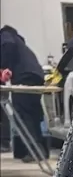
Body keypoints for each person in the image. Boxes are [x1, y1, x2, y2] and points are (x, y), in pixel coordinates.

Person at [0, 24, 48, 162]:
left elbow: (7, 45)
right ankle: (39, 150)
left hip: (24, 77)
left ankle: (34, 151)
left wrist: (4, 66)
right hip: (36, 75)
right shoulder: (20, 43)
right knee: (32, 113)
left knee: (23, 113)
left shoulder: (6, 35)